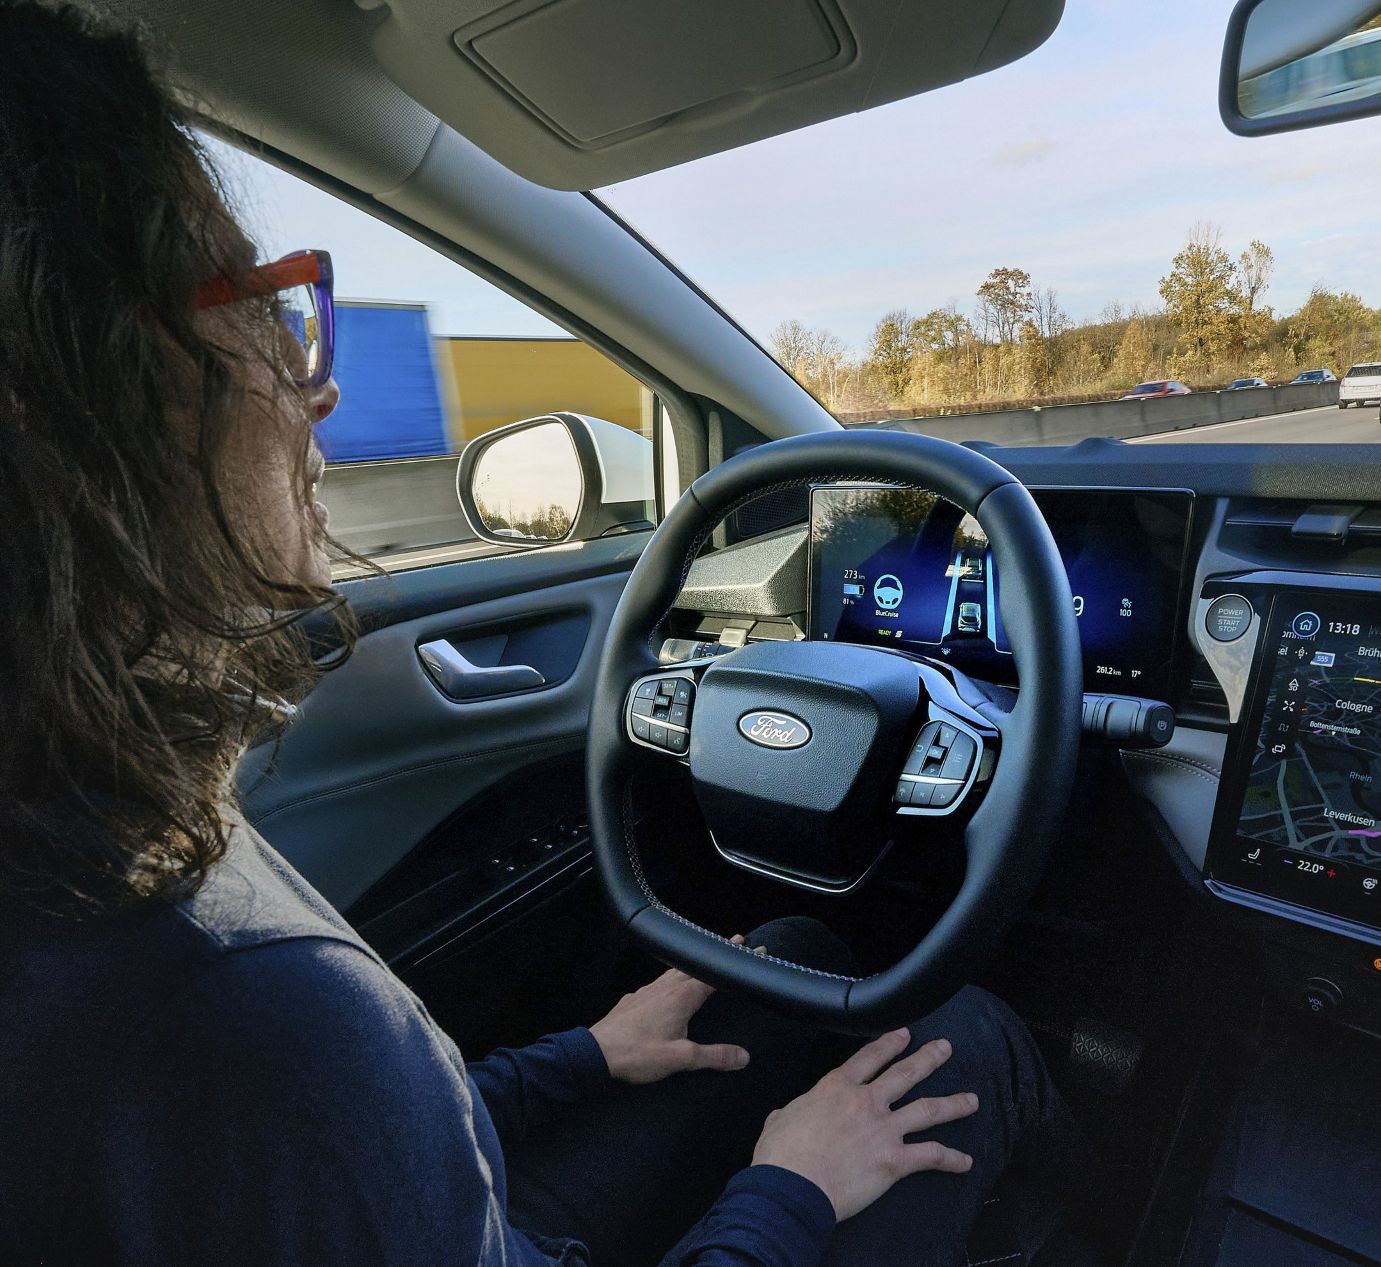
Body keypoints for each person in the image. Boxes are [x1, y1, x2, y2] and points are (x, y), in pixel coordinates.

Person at [0, 4, 1072, 1264]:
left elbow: (372, 1162)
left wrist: (589, 1055)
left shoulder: (87, 856)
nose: (317, 386)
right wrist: (792, 1188)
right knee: (972, 1042)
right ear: (83, 390)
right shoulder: (235, 1005)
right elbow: (346, 1145)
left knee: (786, 956)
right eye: (265, 312)